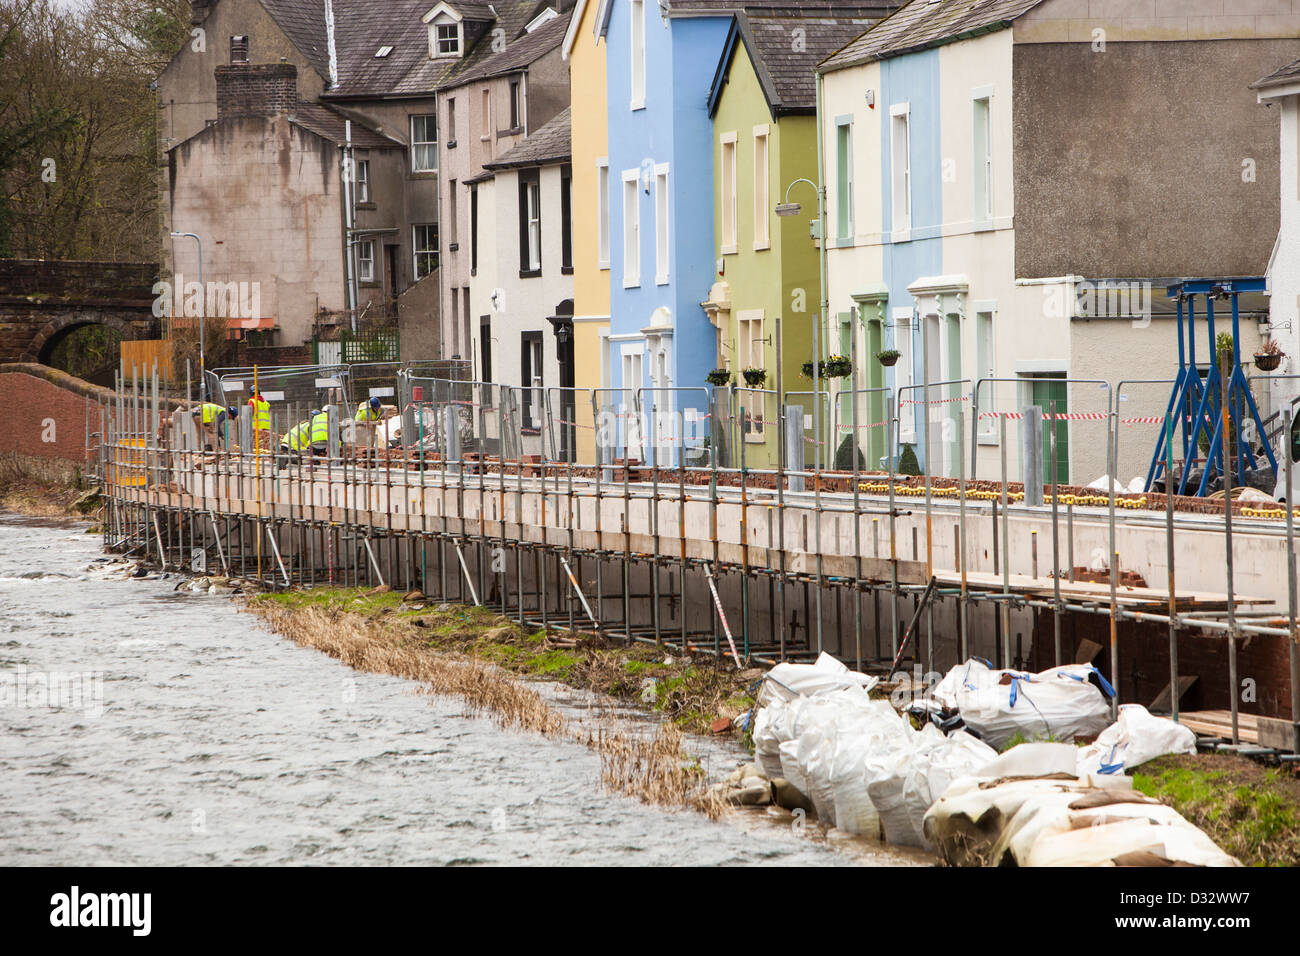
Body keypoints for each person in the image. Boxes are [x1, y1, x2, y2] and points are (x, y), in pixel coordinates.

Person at [248, 385, 272, 452]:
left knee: (256, 447)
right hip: (267, 427)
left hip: (256, 427)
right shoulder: (266, 403)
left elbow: (250, 414)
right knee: (265, 446)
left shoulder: (252, 401)